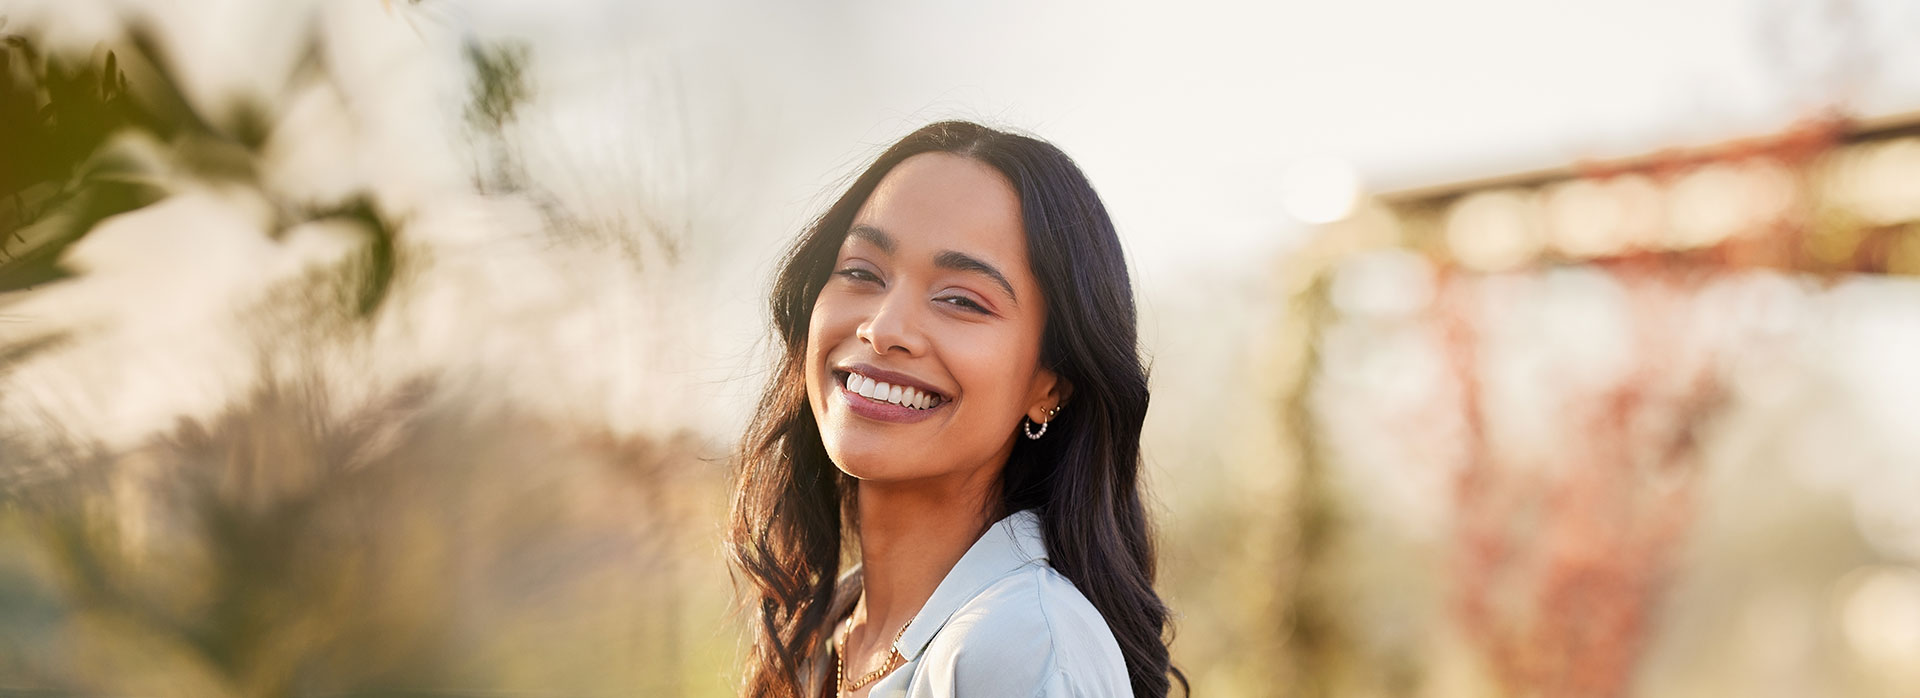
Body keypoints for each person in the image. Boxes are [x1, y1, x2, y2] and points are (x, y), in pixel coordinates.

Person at [729, 120, 1184, 698]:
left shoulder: (1021, 645)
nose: (884, 328)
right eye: (861, 273)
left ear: (1052, 386)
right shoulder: (828, 636)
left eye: (962, 300)